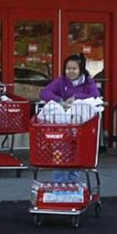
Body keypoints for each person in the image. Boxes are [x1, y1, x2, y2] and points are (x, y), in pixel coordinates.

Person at [39, 53, 101, 182]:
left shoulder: (88, 82)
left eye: (74, 69)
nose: (71, 72)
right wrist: (60, 100)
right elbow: (44, 92)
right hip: (62, 125)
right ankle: (59, 184)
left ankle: (73, 184)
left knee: (76, 154)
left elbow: (95, 95)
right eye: (68, 68)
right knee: (60, 153)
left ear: (81, 69)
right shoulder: (61, 81)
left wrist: (76, 98)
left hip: (81, 126)